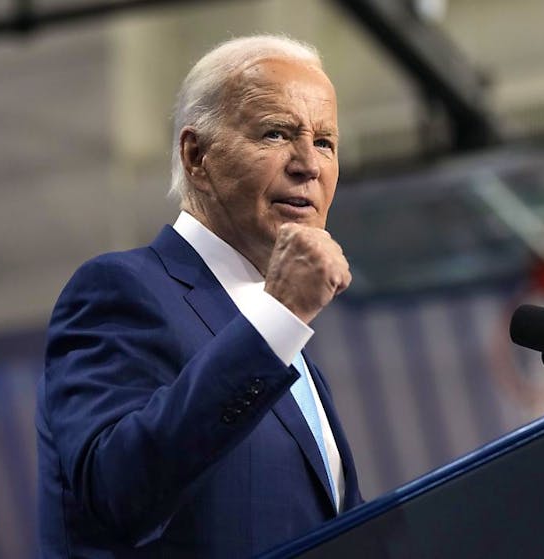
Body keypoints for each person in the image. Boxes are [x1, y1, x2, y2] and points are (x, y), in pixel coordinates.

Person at [36, 35, 362, 558]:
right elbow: (115, 491)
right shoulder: (122, 290)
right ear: (197, 155)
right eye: (277, 133)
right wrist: (279, 316)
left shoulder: (285, 345)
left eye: (325, 142)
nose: (309, 164)